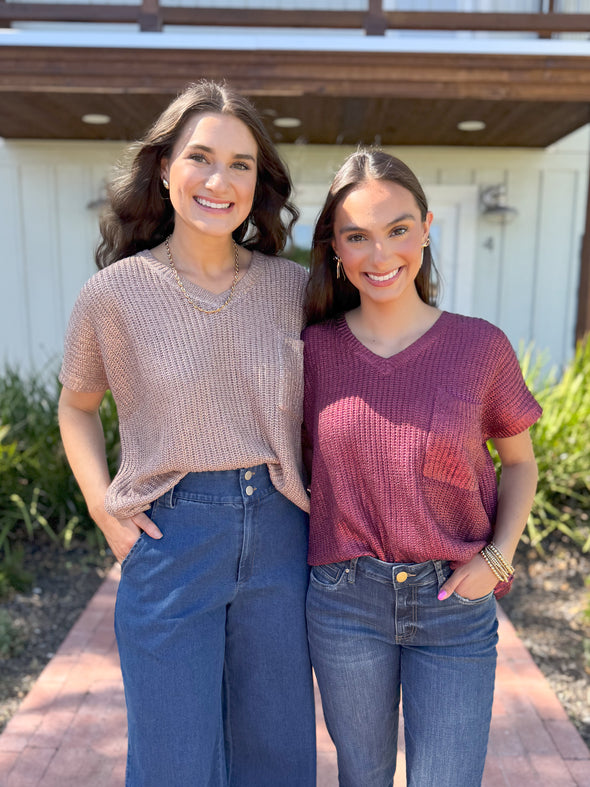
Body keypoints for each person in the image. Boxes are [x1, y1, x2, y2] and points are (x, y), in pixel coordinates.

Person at [58, 80, 316, 787]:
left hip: (279, 535)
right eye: (201, 157)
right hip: (171, 539)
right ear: (164, 166)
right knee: (173, 761)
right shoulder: (113, 295)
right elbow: (75, 406)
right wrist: (101, 502)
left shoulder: (293, 289)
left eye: (241, 164)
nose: (219, 179)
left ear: (257, 183)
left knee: (279, 758)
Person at [302, 148, 541, 787]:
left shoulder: (479, 347)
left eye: (398, 229)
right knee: (364, 778)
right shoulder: (312, 352)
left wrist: (497, 557)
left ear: (427, 227)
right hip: (344, 603)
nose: (380, 256)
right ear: (336, 249)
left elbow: (520, 464)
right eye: (358, 237)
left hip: (453, 604)